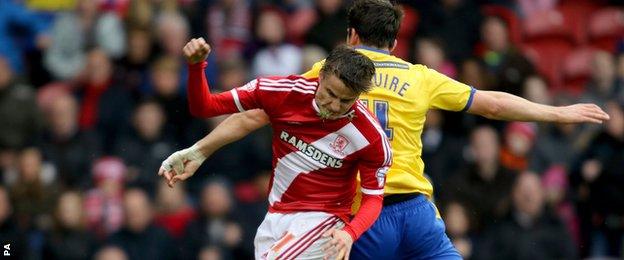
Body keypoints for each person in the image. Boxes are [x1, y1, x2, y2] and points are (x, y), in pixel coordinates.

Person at [168, 0, 609, 259]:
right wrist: (558, 112)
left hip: (361, 215)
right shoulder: (420, 77)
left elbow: (259, 113)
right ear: (396, 42)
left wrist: (200, 149)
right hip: (416, 210)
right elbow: (492, 104)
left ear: (351, 36)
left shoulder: (329, 71)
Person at [160, 39, 391, 260]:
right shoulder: (281, 92)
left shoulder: (369, 136)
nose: (334, 106)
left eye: (345, 101)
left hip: (325, 222)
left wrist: (349, 233)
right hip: (276, 215)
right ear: (320, 76)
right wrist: (196, 66)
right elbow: (205, 107)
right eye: (330, 93)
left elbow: (373, 199)